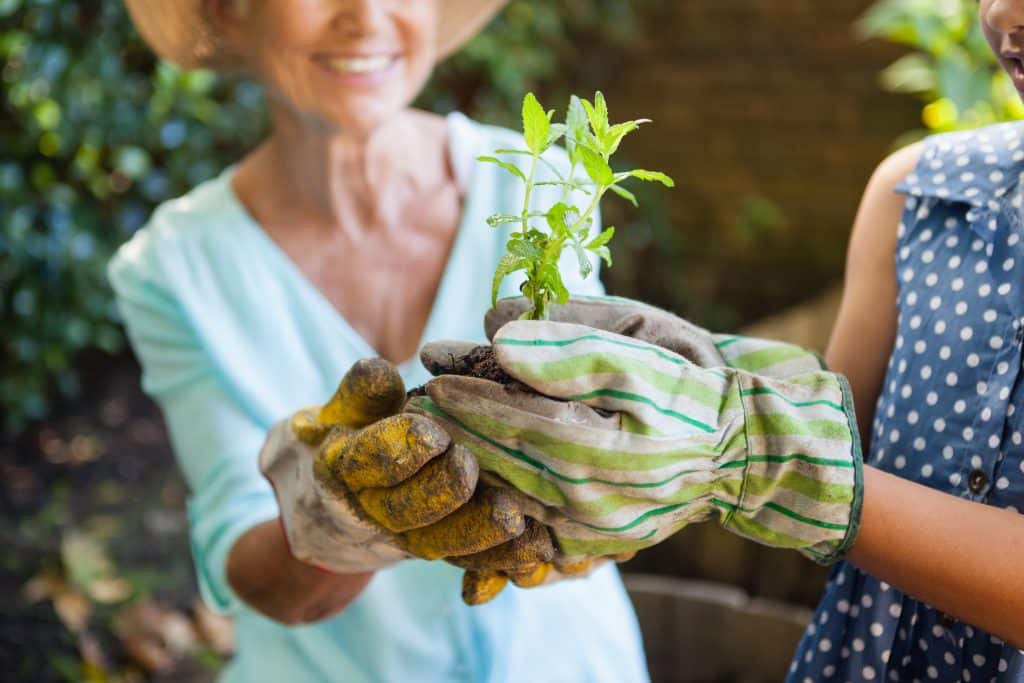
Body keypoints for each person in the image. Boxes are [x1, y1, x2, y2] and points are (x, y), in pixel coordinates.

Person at [419, 1, 1024, 680]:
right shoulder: (919, 195)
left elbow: (782, 458)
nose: (1004, 12)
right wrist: (642, 441)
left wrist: (746, 453)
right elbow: (839, 433)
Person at [108, 1, 649, 681]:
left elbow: (603, 467)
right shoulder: (177, 266)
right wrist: (351, 516)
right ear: (233, 12)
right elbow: (250, 565)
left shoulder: (541, 186)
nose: (366, 17)